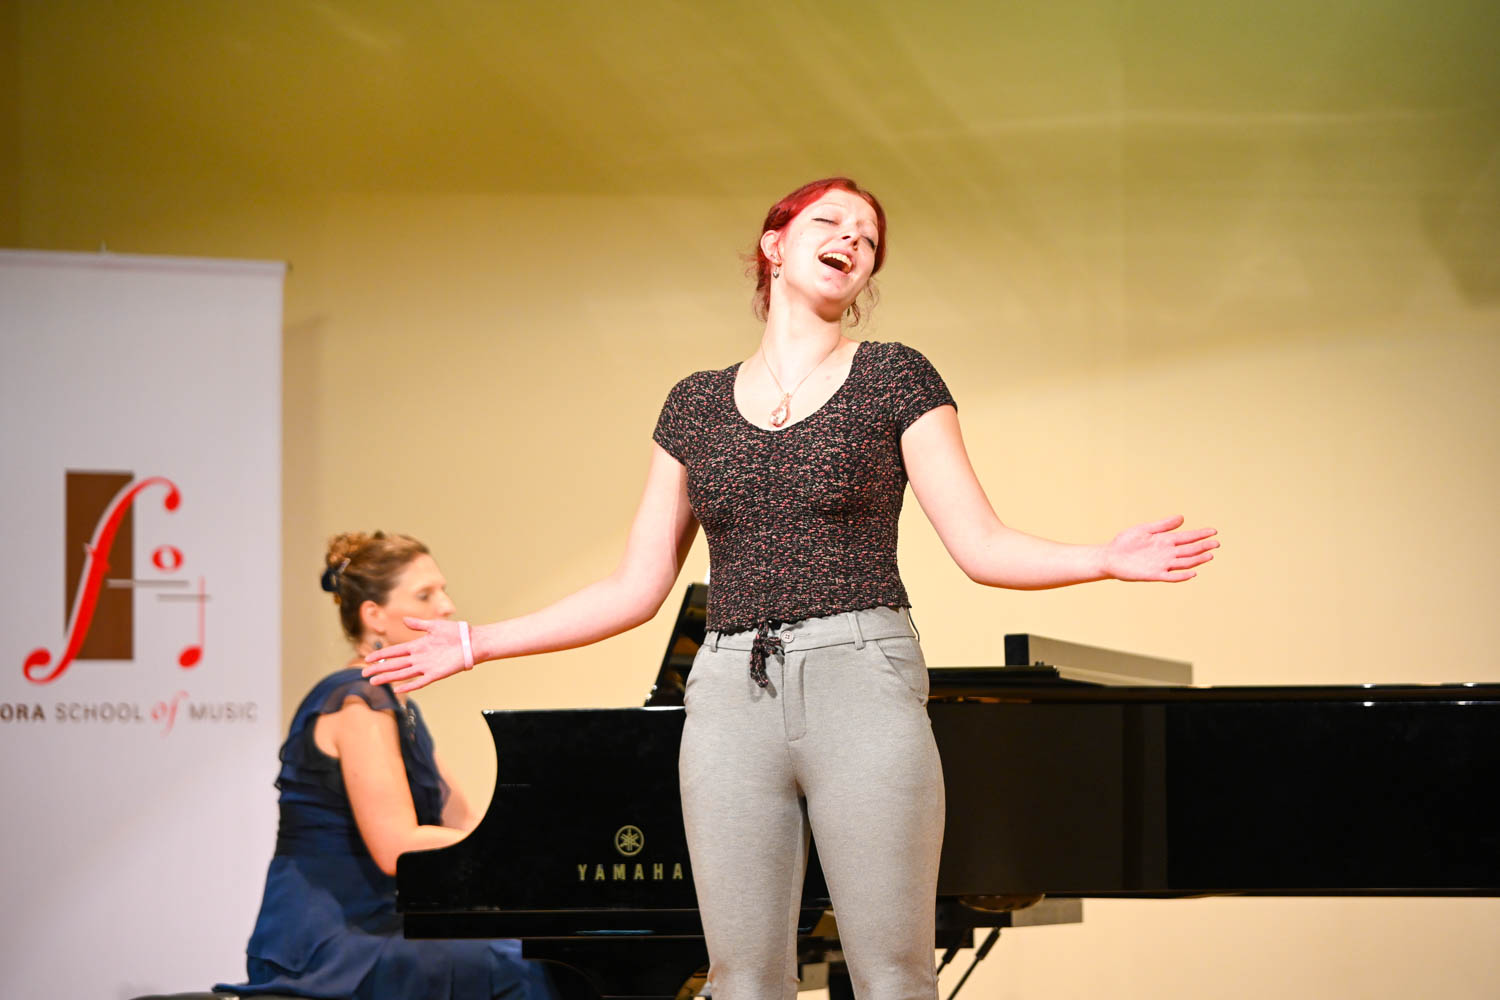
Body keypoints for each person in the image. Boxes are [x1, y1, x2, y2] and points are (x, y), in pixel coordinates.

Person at [364, 178, 1218, 1000]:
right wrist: (477, 642)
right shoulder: (694, 405)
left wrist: (1102, 557)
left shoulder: (895, 377)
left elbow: (982, 545)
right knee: (742, 980)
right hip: (729, 693)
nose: (853, 239)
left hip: (863, 678)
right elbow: (636, 586)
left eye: (869, 238)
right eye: (831, 223)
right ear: (774, 245)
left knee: (894, 975)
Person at [218, 531, 556, 1000]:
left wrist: (537, 848)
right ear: (373, 615)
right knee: (523, 966)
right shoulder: (357, 701)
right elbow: (397, 846)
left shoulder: (398, 706)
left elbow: (466, 824)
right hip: (331, 938)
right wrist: (531, 853)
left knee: (546, 951)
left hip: (385, 924)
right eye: (425, 595)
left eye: (442, 591)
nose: (447, 606)